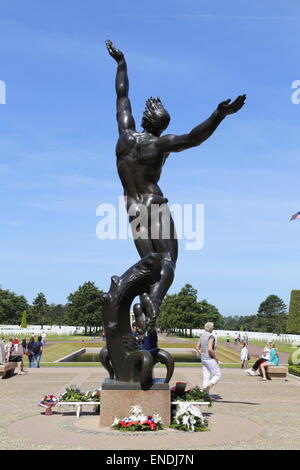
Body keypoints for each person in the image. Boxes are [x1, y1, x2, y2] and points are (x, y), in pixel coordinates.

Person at [105, 39, 246, 334]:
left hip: (132, 209)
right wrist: (219, 115)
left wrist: (121, 63)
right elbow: (194, 138)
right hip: (154, 204)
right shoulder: (160, 144)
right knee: (168, 261)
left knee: (148, 264)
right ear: (161, 127)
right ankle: (154, 301)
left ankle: (143, 310)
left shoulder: (125, 135)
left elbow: (122, 97)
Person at [196, 322, 221, 394]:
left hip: (203, 358)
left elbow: (197, 347)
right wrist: (215, 358)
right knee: (218, 375)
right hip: (209, 358)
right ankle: (206, 389)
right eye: (213, 327)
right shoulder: (211, 336)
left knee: (206, 375)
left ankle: (205, 395)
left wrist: (202, 353)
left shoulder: (202, 336)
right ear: (210, 328)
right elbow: (210, 349)